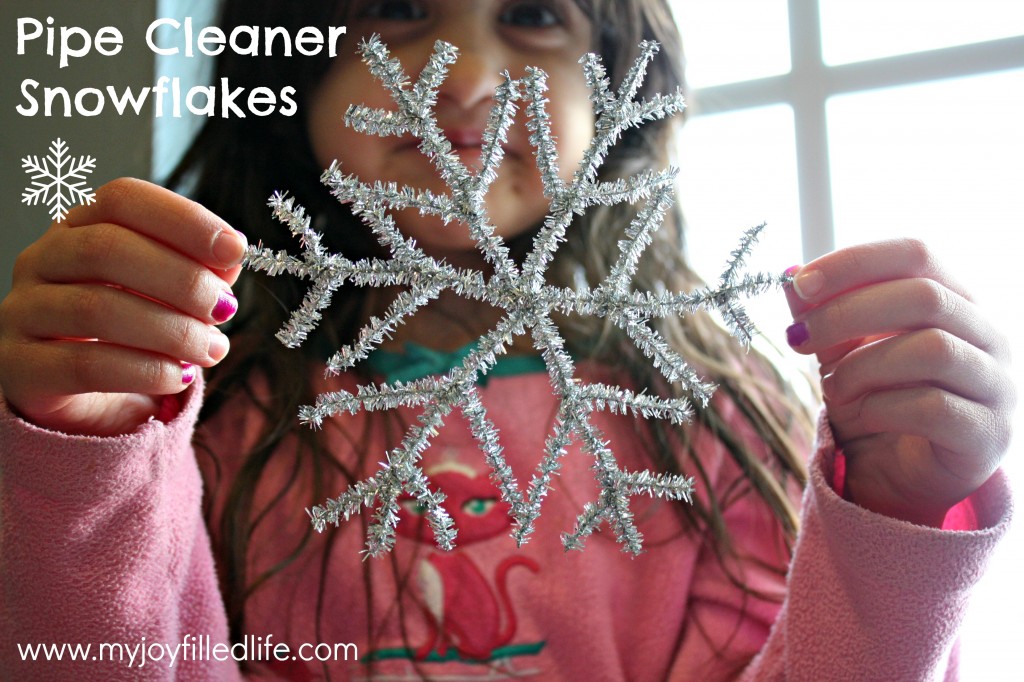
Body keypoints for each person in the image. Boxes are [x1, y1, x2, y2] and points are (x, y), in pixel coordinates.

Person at [0, 0, 1014, 680]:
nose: (468, 77)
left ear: (622, 79)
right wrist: (79, 470)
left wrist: (895, 524)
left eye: (533, 13)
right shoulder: (197, 416)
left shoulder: (711, 420)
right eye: (396, 6)